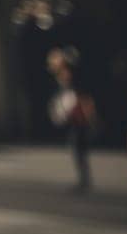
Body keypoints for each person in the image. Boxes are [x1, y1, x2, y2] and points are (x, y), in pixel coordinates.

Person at [47, 46, 96, 193]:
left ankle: (84, 181)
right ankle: (84, 180)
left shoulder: (69, 76)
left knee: (78, 148)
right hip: (73, 116)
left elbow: (82, 97)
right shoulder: (65, 75)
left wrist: (90, 116)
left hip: (77, 117)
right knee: (78, 149)